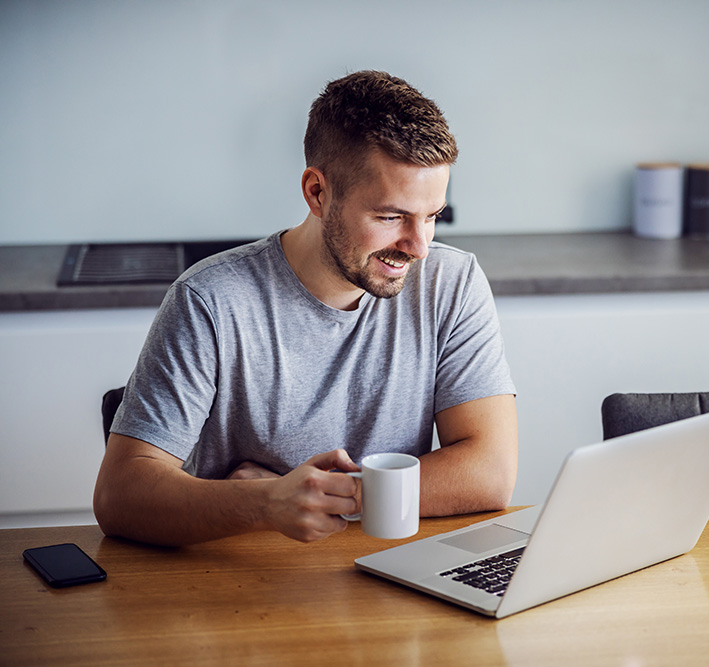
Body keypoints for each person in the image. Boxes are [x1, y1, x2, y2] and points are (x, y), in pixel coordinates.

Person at [93, 71, 518, 546]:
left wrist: (318, 495)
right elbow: (119, 495)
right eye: (390, 216)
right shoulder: (210, 300)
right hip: (236, 581)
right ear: (317, 192)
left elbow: (490, 472)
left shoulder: (452, 283)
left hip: (384, 573)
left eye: (432, 217)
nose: (418, 247)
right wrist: (265, 506)